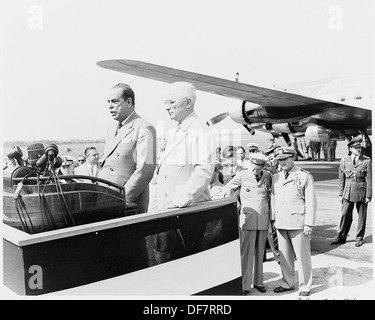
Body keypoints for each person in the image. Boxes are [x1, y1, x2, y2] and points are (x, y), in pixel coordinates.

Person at [155, 81, 215, 257]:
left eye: (172, 102)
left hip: (187, 213)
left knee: (188, 264)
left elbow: (203, 172)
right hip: (169, 213)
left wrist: (177, 202)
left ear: (188, 103)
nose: (167, 108)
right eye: (166, 103)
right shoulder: (174, 133)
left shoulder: (199, 130)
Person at [98, 83, 157, 214]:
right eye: (108, 102)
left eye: (115, 101)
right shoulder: (111, 127)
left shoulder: (144, 128)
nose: (110, 106)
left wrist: (122, 200)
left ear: (129, 102)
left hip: (126, 205)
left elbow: (145, 171)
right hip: (104, 200)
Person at [271, 147, 317, 297]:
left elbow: (311, 202)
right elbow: (273, 198)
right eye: (279, 160)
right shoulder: (276, 177)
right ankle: (287, 283)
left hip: (298, 222)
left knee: (303, 257)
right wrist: (273, 219)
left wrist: (308, 223)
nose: (282, 162)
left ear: (292, 158)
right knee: (284, 257)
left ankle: (305, 286)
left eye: (285, 159)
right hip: (281, 221)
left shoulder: (304, 176)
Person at [224, 152, 272, 295]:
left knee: (259, 252)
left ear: (263, 166)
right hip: (248, 219)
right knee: (247, 253)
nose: (256, 170)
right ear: (251, 164)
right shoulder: (242, 175)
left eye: (259, 168)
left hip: (263, 219)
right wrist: (237, 204)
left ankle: (259, 282)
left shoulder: (267, 176)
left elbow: (268, 195)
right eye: (255, 167)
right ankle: (245, 285)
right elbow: (227, 188)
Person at [331, 137, 372, 247]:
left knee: (361, 216)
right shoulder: (344, 160)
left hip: (361, 191)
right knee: (345, 214)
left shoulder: (366, 161)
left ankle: (359, 238)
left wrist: (368, 195)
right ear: (350, 148)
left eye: (359, 147)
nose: (358, 149)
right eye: (356, 147)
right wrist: (340, 194)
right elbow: (341, 179)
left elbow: (369, 179)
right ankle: (341, 237)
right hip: (347, 192)